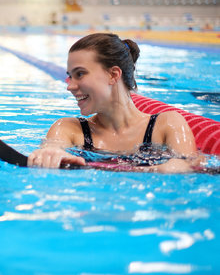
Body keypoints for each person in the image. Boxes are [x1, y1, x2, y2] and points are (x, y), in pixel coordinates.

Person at [27, 33, 199, 173]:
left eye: (79, 74)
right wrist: (51, 154)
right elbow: (53, 147)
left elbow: (186, 166)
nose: (70, 86)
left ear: (113, 75)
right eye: (70, 76)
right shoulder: (68, 128)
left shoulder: (166, 124)